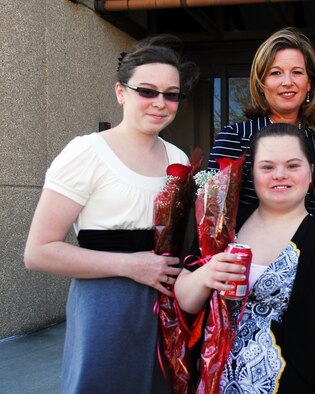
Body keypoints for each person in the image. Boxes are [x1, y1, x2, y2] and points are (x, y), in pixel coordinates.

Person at [24, 35, 197, 393]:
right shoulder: (86, 152)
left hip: (166, 304)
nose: (160, 103)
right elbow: (38, 252)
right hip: (105, 305)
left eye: (171, 94)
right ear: (121, 92)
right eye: (146, 91)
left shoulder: (178, 159)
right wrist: (131, 265)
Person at [175, 123, 315, 392]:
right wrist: (207, 275)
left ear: (311, 172)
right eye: (267, 167)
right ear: (252, 174)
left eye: (292, 165)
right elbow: (186, 300)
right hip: (214, 382)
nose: (280, 175)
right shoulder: (223, 226)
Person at [208, 27, 315, 215]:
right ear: (261, 84)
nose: (287, 82)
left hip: (311, 243)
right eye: (275, 73)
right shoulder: (236, 138)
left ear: (309, 83)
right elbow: (214, 216)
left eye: (297, 72)